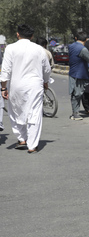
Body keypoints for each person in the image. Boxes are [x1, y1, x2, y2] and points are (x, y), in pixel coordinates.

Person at [0, 24, 51, 153]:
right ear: (32, 36)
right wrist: (46, 81)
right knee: (34, 113)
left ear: (18, 34)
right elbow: (46, 69)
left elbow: (5, 70)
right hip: (35, 85)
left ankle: (22, 138)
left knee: (16, 111)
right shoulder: (39, 49)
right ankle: (32, 145)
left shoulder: (10, 48)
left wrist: (3, 88)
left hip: (16, 85)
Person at [68, 31, 89, 120]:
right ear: (85, 40)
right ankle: (76, 113)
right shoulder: (83, 49)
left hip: (73, 73)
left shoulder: (72, 46)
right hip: (80, 74)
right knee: (77, 94)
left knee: (74, 94)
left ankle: (74, 113)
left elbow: (81, 57)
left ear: (76, 38)